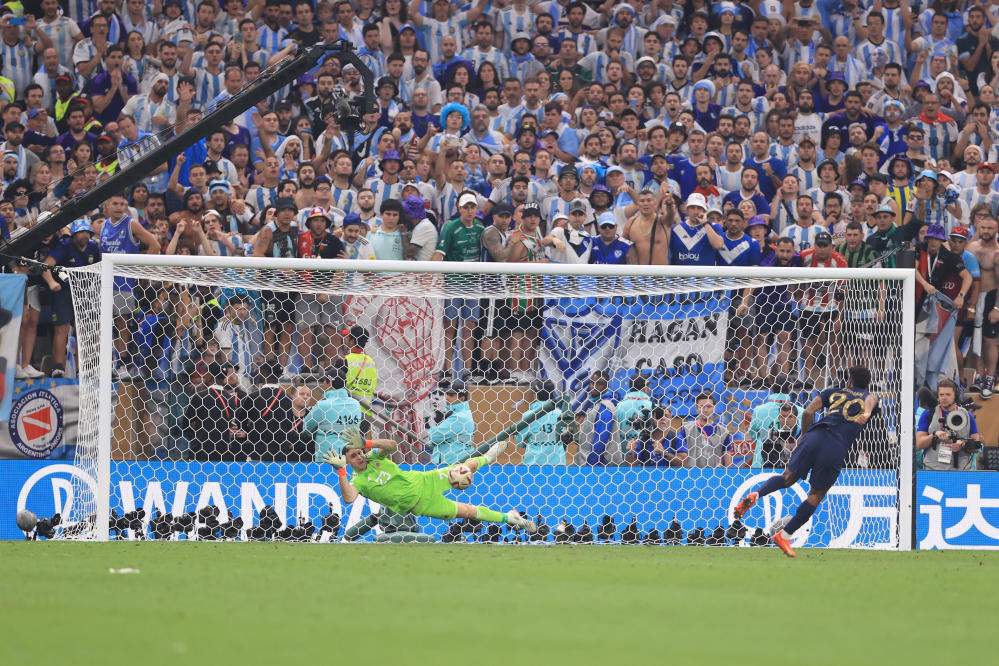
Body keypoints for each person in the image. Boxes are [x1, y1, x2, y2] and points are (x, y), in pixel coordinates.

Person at [734, 366, 880, 558]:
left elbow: (808, 412)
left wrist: (804, 436)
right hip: (835, 446)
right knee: (816, 494)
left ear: (849, 381)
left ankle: (756, 494)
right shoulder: (869, 397)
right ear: (867, 384)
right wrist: (867, 413)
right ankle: (784, 535)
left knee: (787, 477)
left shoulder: (834, 392)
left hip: (814, 436)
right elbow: (872, 399)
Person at [322, 427, 537, 532]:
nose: (359, 457)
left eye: (359, 452)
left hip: (426, 480)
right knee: (468, 512)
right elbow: (349, 498)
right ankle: (510, 518)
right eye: (353, 456)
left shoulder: (374, 456)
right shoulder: (358, 480)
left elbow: (392, 445)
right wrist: (340, 471)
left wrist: (366, 443)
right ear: (347, 462)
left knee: (463, 469)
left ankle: (487, 457)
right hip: (421, 505)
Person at [303, 360, 365, 463]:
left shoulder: (323, 405)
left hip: (327, 459)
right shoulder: (356, 404)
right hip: (352, 460)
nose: (323, 383)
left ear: (328, 383)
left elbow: (306, 429)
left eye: (324, 380)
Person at [237, 360, 298, 462]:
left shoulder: (253, 397)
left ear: (264, 373)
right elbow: (290, 424)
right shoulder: (288, 399)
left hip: (258, 450)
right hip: (281, 451)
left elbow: (241, 421)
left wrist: (250, 432)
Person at [915, 379, 982, 471]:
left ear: (955, 396)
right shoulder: (929, 414)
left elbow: (976, 447)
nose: (944, 398)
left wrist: (963, 444)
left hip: (961, 471)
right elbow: (919, 444)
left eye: (948, 394)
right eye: (941, 394)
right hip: (933, 470)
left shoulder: (967, 415)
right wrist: (934, 435)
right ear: (938, 396)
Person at [677, 392, 733, 468]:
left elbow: (728, 461)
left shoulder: (723, 432)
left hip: (715, 476)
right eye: (702, 406)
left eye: (709, 406)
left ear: (714, 408)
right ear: (697, 409)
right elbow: (680, 456)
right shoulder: (687, 429)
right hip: (693, 475)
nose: (705, 410)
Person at [426, 379, 476, 464]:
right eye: (447, 394)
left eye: (451, 395)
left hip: (454, 462)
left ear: (462, 398)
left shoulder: (459, 417)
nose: (447, 398)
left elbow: (434, 436)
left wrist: (433, 432)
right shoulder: (459, 413)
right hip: (455, 461)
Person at [519, 379, 564, 465]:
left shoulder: (528, 416)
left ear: (536, 395)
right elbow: (564, 437)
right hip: (558, 462)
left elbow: (520, 441)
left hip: (533, 462)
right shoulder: (560, 414)